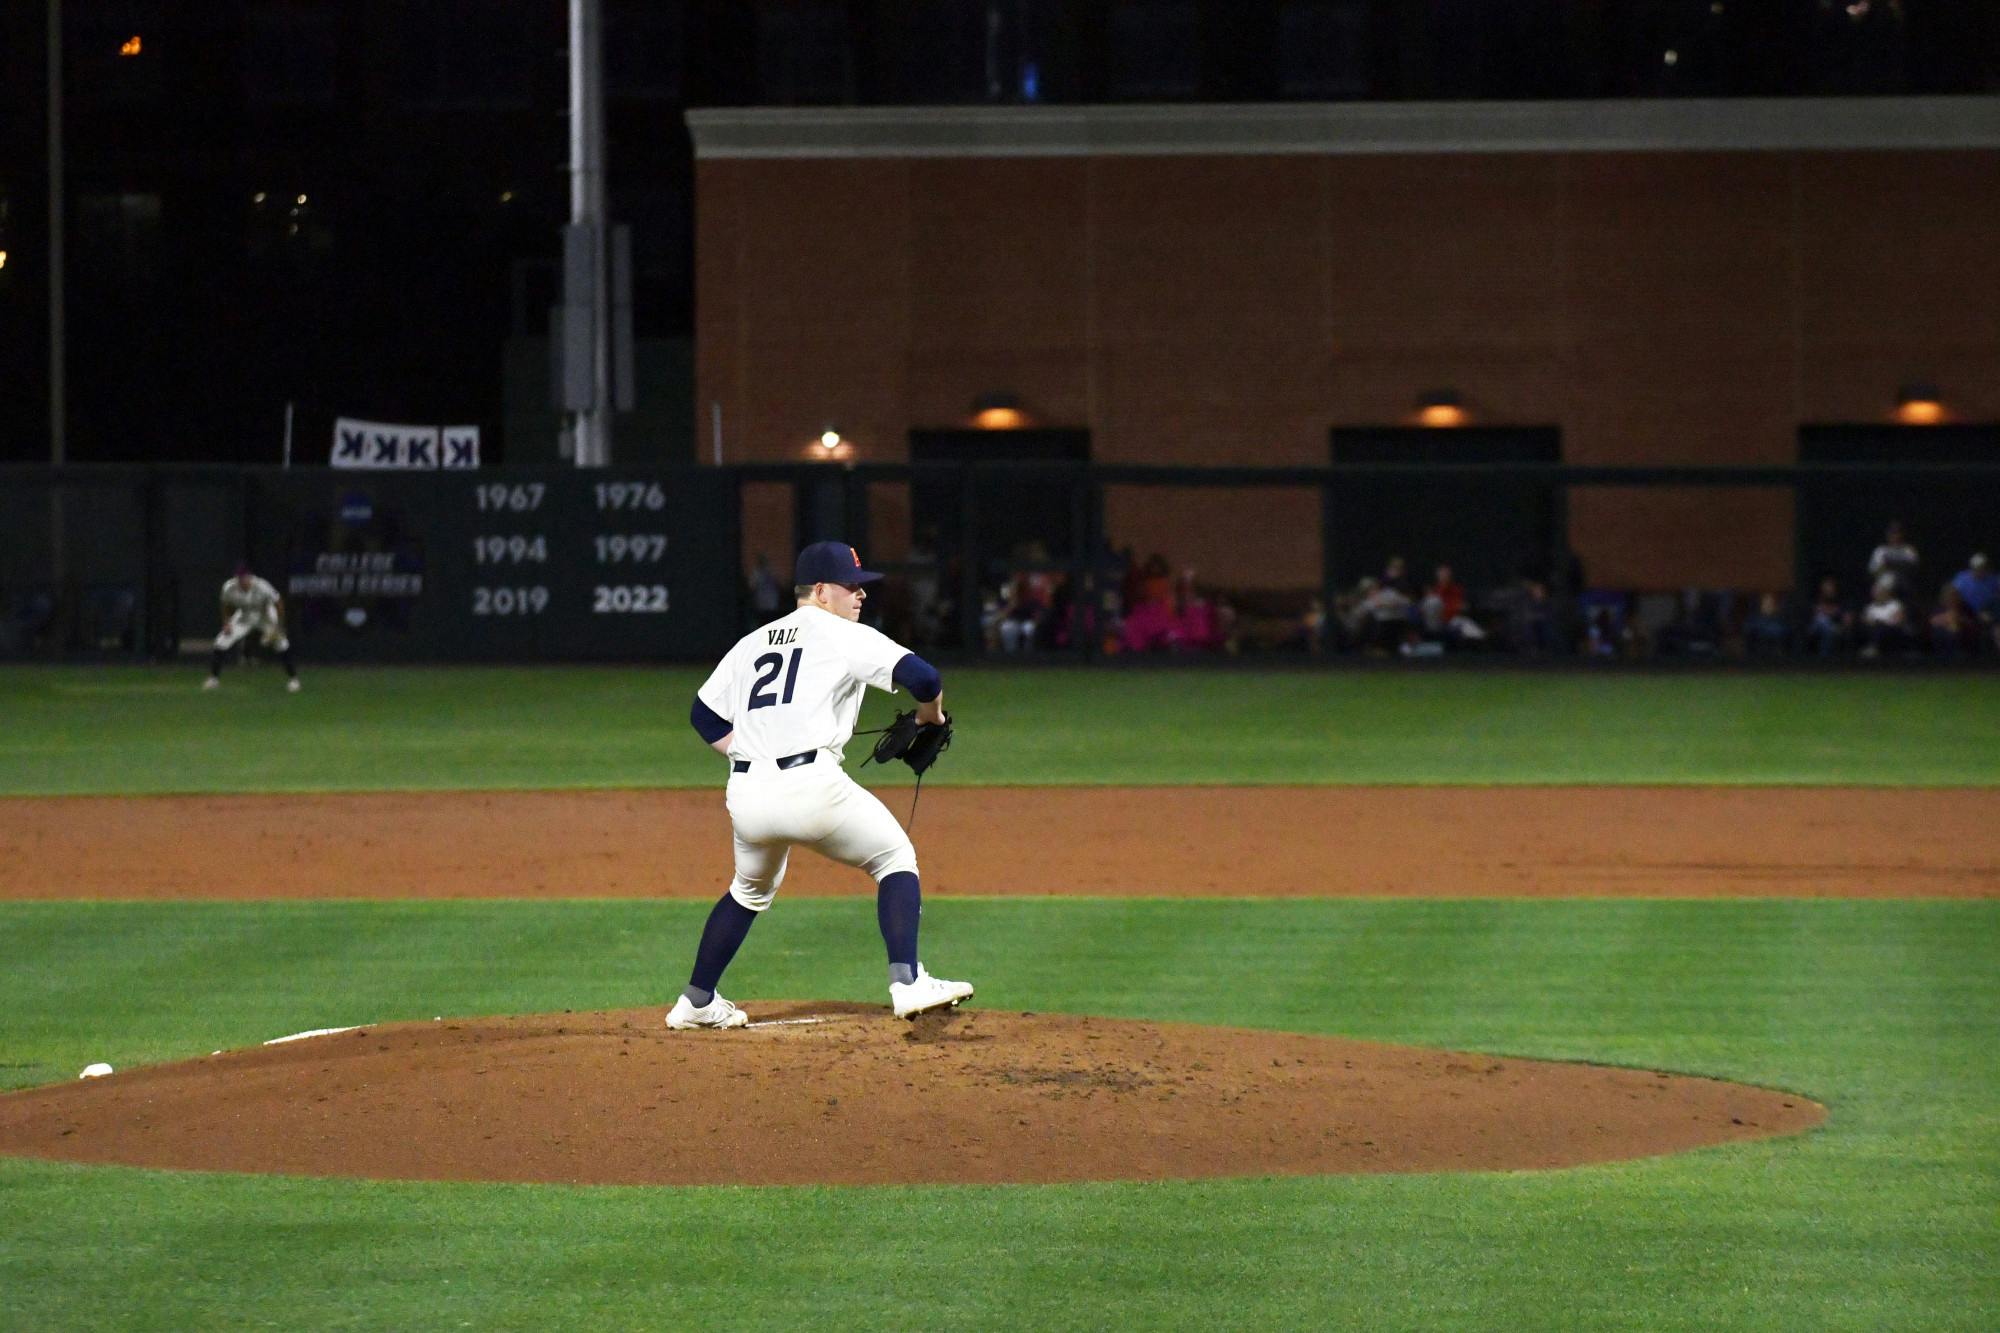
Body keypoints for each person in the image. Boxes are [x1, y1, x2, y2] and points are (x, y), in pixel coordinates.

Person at [668, 540, 973, 1030]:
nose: (861, 595)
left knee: (748, 891)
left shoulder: (753, 642)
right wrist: (929, 717)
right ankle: (909, 982)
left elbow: (703, 714)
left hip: (747, 793)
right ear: (821, 591)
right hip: (811, 788)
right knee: (895, 858)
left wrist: (749, 749)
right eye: (851, 586)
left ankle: (696, 1002)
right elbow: (924, 676)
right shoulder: (840, 633)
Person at [204, 564, 300, 692]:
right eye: (240, 578)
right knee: (220, 642)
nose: (242, 581)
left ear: (250, 577)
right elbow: (225, 604)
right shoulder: (229, 587)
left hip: (264, 614)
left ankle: (294, 680)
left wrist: (279, 625)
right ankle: (213, 679)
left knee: (282, 643)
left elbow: (278, 602)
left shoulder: (262, 585)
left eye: (245, 578)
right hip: (244, 615)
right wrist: (226, 622)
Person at [1859, 574, 1912, 658]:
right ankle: (1873, 648)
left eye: (1879, 591)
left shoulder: (1895, 605)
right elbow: (1866, 620)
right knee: (1875, 628)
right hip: (1874, 630)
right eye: (1875, 592)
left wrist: (1882, 622)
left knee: (1881, 628)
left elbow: (1898, 620)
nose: (1876, 594)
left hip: (1891, 631)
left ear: (1886, 592)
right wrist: (1873, 622)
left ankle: (1875, 648)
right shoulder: (1870, 607)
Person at [1867, 521, 1920, 599]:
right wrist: (1888, 567)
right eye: (1892, 533)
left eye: (1897, 532)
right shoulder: (1880, 551)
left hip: (1904, 586)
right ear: (1887, 534)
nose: (1895, 536)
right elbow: (1873, 571)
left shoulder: (1908, 550)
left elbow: (1913, 568)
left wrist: (1891, 565)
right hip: (1884, 586)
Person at [1805, 576, 1853, 657]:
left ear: (1834, 588)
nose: (1828, 589)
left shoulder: (1842, 601)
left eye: (1830, 587)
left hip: (1837, 627)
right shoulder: (1818, 600)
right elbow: (1813, 615)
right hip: (1818, 627)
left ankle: (1824, 659)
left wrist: (1841, 624)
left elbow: (1847, 619)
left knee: (1825, 626)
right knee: (1821, 621)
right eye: (1825, 587)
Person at [1742, 592, 1792, 657]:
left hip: (1774, 635)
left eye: (1770, 604)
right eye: (1765, 604)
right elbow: (1748, 627)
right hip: (1760, 635)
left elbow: (1783, 630)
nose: (1768, 606)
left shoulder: (1779, 621)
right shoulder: (1755, 619)